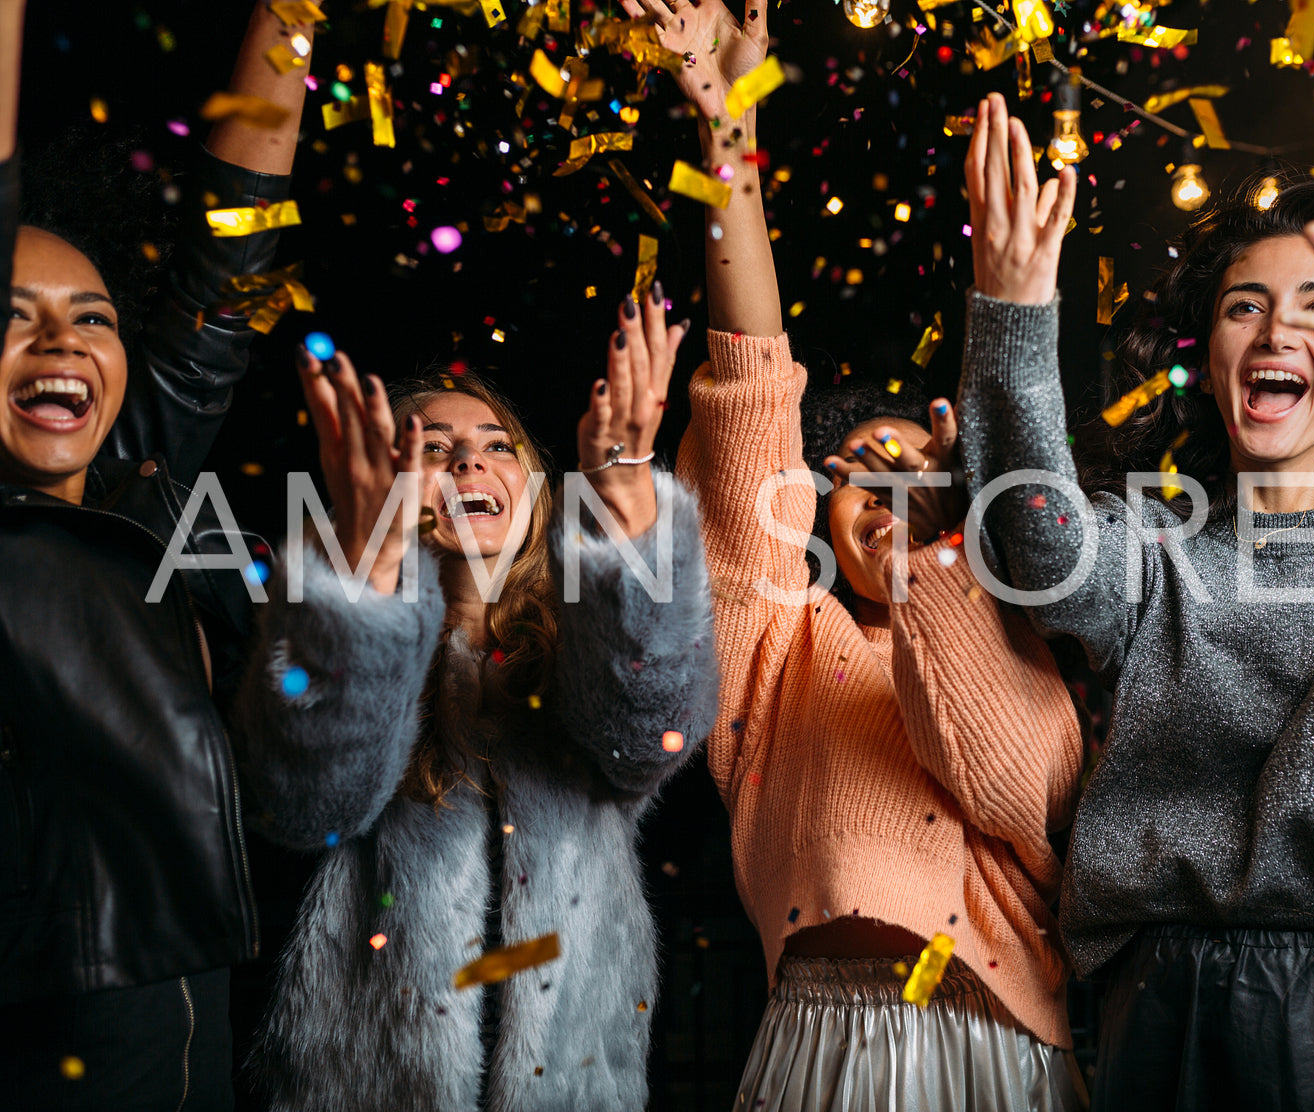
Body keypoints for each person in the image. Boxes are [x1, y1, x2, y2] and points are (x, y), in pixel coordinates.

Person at [957, 90, 1314, 1109]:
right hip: (1160, 1005)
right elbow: (1036, 550)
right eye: (1242, 304)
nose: (1272, 328)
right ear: (1209, 364)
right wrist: (1014, 317)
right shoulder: (1153, 541)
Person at [627, 0, 1088, 1103]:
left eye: (914, 467)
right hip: (820, 1047)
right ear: (811, 510)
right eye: (856, 470)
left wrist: (940, 555)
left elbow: (1016, 788)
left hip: (1001, 1048)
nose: (885, 485)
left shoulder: (1030, 638)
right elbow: (746, 395)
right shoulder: (780, 640)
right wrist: (725, 134)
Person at [236, 289, 718, 1111]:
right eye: (434, 447)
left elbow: (651, 738)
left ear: (535, 488)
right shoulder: (319, 634)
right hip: (364, 1084)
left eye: (498, 446)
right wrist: (365, 584)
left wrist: (631, 505)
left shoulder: (586, 636)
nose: (468, 461)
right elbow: (308, 804)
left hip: (574, 1081)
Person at [0, 1, 310, 1105]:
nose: (62, 343)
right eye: (14, 312)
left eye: (93, 317)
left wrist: (291, 13)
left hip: (180, 1011)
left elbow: (230, 264)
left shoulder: (144, 487)